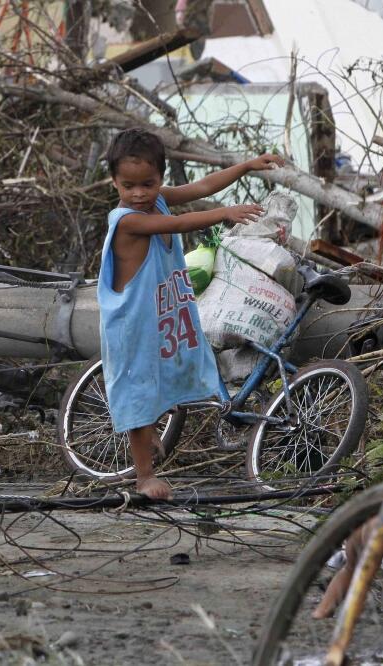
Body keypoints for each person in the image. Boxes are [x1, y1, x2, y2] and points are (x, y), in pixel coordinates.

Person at [99, 128, 285, 501]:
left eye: (147, 184)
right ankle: (143, 478)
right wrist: (225, 213)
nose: (138, 194)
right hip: (132, 325)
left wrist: (246, 166)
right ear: (115, 182)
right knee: (140, 394)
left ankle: (149, 430)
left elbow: (202, 187)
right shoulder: (127, 220)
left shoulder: (158, 200)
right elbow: (180, 223)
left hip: (162, 317)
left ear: (161, 178)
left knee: (165, 378)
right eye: (128, 186)